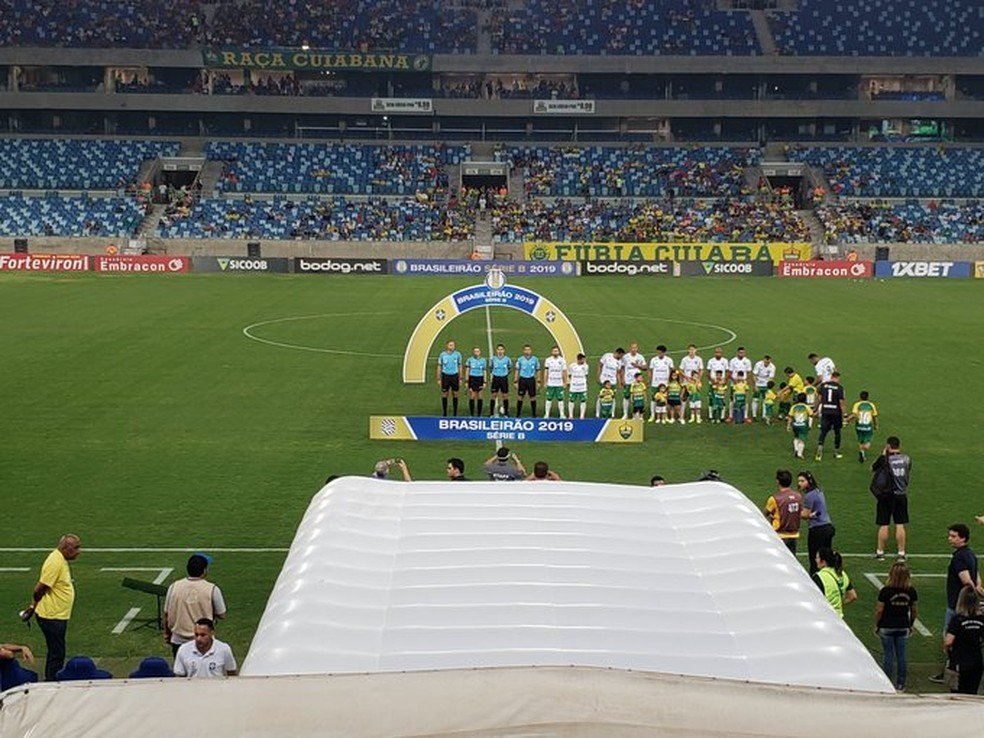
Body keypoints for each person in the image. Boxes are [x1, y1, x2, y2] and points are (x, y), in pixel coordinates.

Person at [23, 534, 80, 681]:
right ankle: (51, 682)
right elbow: (39, 588)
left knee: (56, 651)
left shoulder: (60, 559)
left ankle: (52, 680)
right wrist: (32, 606)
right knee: (57, 653)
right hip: (51, 616)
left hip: (56, 615)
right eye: (76, 548)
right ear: (65, 548)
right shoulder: (55, 562)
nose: (79, 551)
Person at [932, 524, 984, 683]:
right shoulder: (970, 554)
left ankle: (953, 669)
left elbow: (967, 580)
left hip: (957, 604)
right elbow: (977, 578)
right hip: (968, 604)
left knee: (950, 638)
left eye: (953, 536)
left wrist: (973, 590)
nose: (950, 538)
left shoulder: (959, 557)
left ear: (963, 538)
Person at [164, 554, 228, 657]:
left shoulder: (174, 587)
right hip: (204, 641)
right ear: (204, 571)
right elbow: (222, 615)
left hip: (178, 640)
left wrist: (167, 633)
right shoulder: (212, 589)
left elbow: (167, 614)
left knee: (181, 671)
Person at [875, 561, 918, 692]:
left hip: (887, 626)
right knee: (901, 655)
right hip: (903, 626)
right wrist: (910, 624)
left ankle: (886, 683)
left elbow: (879, 610)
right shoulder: (911, 591)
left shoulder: (885, 591)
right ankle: (900, 684)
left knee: (888, 655)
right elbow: (914, 610)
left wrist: (877, 624)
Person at [873, 436, 912, 561]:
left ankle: (880, 552)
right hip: (901, 494)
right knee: (900, 524)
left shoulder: (885, 460)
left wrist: (883, 455)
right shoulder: (907, 459)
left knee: (884, 524)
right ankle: (901, 552)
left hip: (886, 495)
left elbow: (872, 469)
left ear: (888, 446)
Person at [943, 586, 984, 695]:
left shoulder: (957, 620)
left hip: (959, 664)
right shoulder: (981, 619)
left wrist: (947, 650)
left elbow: (948, 641)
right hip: (976, 663)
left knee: (957, 696)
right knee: (972, 695)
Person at [797, 471, 835, 575]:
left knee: (815, 559)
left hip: (818, 530)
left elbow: (805, 514)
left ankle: (815, 581)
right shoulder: (818, 491)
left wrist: (794, 511)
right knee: (827, 558)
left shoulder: (809, 495)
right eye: (799, 481)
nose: (799, 483)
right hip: (828, 527)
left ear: (808, 481)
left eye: (802, 481)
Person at [173, 618, 238, 679]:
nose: (199, 639)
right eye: (196, 635)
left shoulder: (224, 649)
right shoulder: (183, 650)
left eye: (203, 635)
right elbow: (179, 678)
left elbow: (232, 675)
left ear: (211, 633)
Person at [763, 470, 802, 554]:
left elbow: (765, 513)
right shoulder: (798, 496)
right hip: (794, 535)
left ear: (778, 481)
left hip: (780, 535)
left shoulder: (774, 499)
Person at [813, 548, 856, 618]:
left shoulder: (819, 577)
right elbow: (852, 596)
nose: (815, 560)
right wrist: (838, 604)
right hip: (839, 617)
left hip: (824, 616)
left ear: (824, 562)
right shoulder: (843, 574)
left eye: (817, 558)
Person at [814, 371, 846, 461]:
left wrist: (815, 409)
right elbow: (841, 403)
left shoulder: (823, 386)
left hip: (825, 411)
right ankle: (836, 451)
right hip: (836, 413)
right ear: (838, 378)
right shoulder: (840, 388)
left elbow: (819, 399)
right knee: (837, 432)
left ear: (831, 377)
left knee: (823, 432)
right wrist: (844, 415)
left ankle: (819, 451)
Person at [847, 391, 879, 462]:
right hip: (868, 427)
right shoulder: (871, 405)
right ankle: (863, 450)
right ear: (867, 397)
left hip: (859, 426)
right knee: (867, 444)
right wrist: (876, 425)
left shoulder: (857, 404)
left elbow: (854, 415)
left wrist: (847, 420)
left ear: (860, 397)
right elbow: (875, 416)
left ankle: (862, 453)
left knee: (860, 440)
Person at [620, 343, 647, 419]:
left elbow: (645, 367)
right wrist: (622, 379)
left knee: (638, 396)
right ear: (630, 348)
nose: (633, 349)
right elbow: (622, 368)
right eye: (632, 348)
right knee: (626, 396)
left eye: (635, 348)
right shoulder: (625, 357)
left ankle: (636, 414)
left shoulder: (640, 357)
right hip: (628, 380)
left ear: (637, 348)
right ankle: (625, 414)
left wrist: (637, 365)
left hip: (638, 381)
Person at [436, 340, 463, 417]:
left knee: (455, 394)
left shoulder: (458, 354)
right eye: (451, 345)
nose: (453, 346)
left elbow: (460, 366)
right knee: (445, 394)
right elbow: (439, 366)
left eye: (453, 345)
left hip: (454, 376)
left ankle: (455, 412)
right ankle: (444, 412)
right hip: (445, 376)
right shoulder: (442, 355)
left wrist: (460, 378)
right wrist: (438, 378)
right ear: (447, 346)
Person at [596, 347, 624, 418]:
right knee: (601, 396)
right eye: (621, 355)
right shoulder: (606, 356)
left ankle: (612, 414)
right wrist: (598, 376)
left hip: (612, 381)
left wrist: (619, 382)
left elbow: (618, 373)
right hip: (603, 379)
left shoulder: (619, 362)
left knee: (612, 397)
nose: (621, 357)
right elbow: (600, 365)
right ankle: (598, 413)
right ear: (618, 353)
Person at [514, 344, 540, 418]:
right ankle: (518, 414)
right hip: (522, 380)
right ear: (523, 351)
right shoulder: (520, 359)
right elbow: (517, 370)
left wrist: (538, 381)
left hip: (531, 380)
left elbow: (538, 370)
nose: (527, 351)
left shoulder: (535, 359)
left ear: (531, 351)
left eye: (528, 350)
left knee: (533, 397)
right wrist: (515, 381)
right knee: (520, 397)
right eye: (525, 350)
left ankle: (534, 414)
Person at [542, 345, 568, 418]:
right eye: (554, 351)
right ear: (551, 352)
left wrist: (565, 382)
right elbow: (546, 371)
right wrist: (545, 381)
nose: (555, 352)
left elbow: (564, 371)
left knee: (560, 399)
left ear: (559, 352)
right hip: (550, 383)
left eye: (556, 351)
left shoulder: (562, 360)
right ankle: (547, 414)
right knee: (549, 398)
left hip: (559, 383)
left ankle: (562, 414)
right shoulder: (548, 360)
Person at [648, 344, 674, 413]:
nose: (658, 354)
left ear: (664, 352)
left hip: (665, 383)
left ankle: (664, 415)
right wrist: (649, 380)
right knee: (654, 398)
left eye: (660, 353)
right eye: (657, 352)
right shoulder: (653, 360)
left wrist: (670, 380)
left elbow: (672, 370)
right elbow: (650, 371)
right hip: (655, 383)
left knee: (665, 398)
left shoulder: (669, 360)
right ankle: (652, 415)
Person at [787, 392, 812, 459]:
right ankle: (799, 454)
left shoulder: (793, 407)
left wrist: (788, 425)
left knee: (796, 437)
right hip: (803, 425)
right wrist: (810, 425)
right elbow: (811, 415)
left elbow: (790, 417)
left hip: (795, 425)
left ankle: (796, 449)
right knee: (802, 440)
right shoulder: (806, 407)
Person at [489, 344, 512, 417]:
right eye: (499, 349)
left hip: (504, 378)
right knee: (493, 395)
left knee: (505, 396)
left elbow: (510, 368)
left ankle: (506, 413)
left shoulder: (507, 359)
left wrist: (504, 374)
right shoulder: (493, 359)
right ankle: (491, 413)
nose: (500, 351)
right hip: (496, 378)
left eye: (501, 349)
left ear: (504, 350)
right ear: (496, 350)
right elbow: (490, 367)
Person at [751, 355, 776, 420]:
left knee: (765, 400)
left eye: (768, 362)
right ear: (763, 360)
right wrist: (755, 385)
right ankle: (754, 415)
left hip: (766, 385)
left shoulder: (772, 367)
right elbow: (754, 375)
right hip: (758, 384)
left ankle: (764, 416)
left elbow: (771, 378)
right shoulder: (758, 364)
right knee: (755, 399)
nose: (766, 363)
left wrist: (769, 388)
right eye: (765, 362)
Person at [465, 347, 487, 417]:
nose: (476, 352)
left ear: (480, 352)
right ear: (473, 352)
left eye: (477, 351)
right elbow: (467, 371)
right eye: (475, 351)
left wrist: (485, 381)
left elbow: (484, 371)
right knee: (472, 396)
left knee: (480, 396)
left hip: (480, 379)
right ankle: (471, 414)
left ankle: (479, 414)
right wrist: (467, 381)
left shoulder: (483, 360)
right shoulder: (469, 360)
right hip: (472, 379)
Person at [567, 353, 590, 419]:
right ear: (579, 359)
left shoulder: (586, 366)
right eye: (583, 359)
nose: (584, 361)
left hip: (582, 387)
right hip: (574, 387)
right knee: (571, 400)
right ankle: (571, 415)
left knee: (583, 400)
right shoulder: (572, 366)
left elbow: (586, 375)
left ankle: (582, 416)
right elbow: (570, 375)